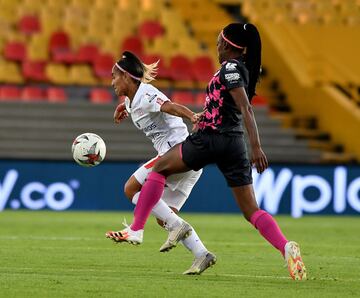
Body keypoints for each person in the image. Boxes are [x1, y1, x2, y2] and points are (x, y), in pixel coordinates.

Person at [112, 24, 307, 281]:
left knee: (159, 169)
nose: (216, 47)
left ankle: (137, 230)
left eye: (218, 43)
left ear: (227, 46)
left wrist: (257, 146)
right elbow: (230, 108)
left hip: (211, 138)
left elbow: (246, 108)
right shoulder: (242, 69)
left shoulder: (230, 69)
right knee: (251, 211)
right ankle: (285, 247)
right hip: (234, 143)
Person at [105, 51, 216, 275]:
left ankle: (136, 230)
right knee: (166, 216)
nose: (112, 81)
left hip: (177, 152)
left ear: (126, 76)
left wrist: (191, 116)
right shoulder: (132, 99)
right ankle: (202, 254)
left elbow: (169, 106)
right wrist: (121, 108)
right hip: (190, 162)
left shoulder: (146, 94)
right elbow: (133, 105)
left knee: (131, 188)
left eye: (114, 76)